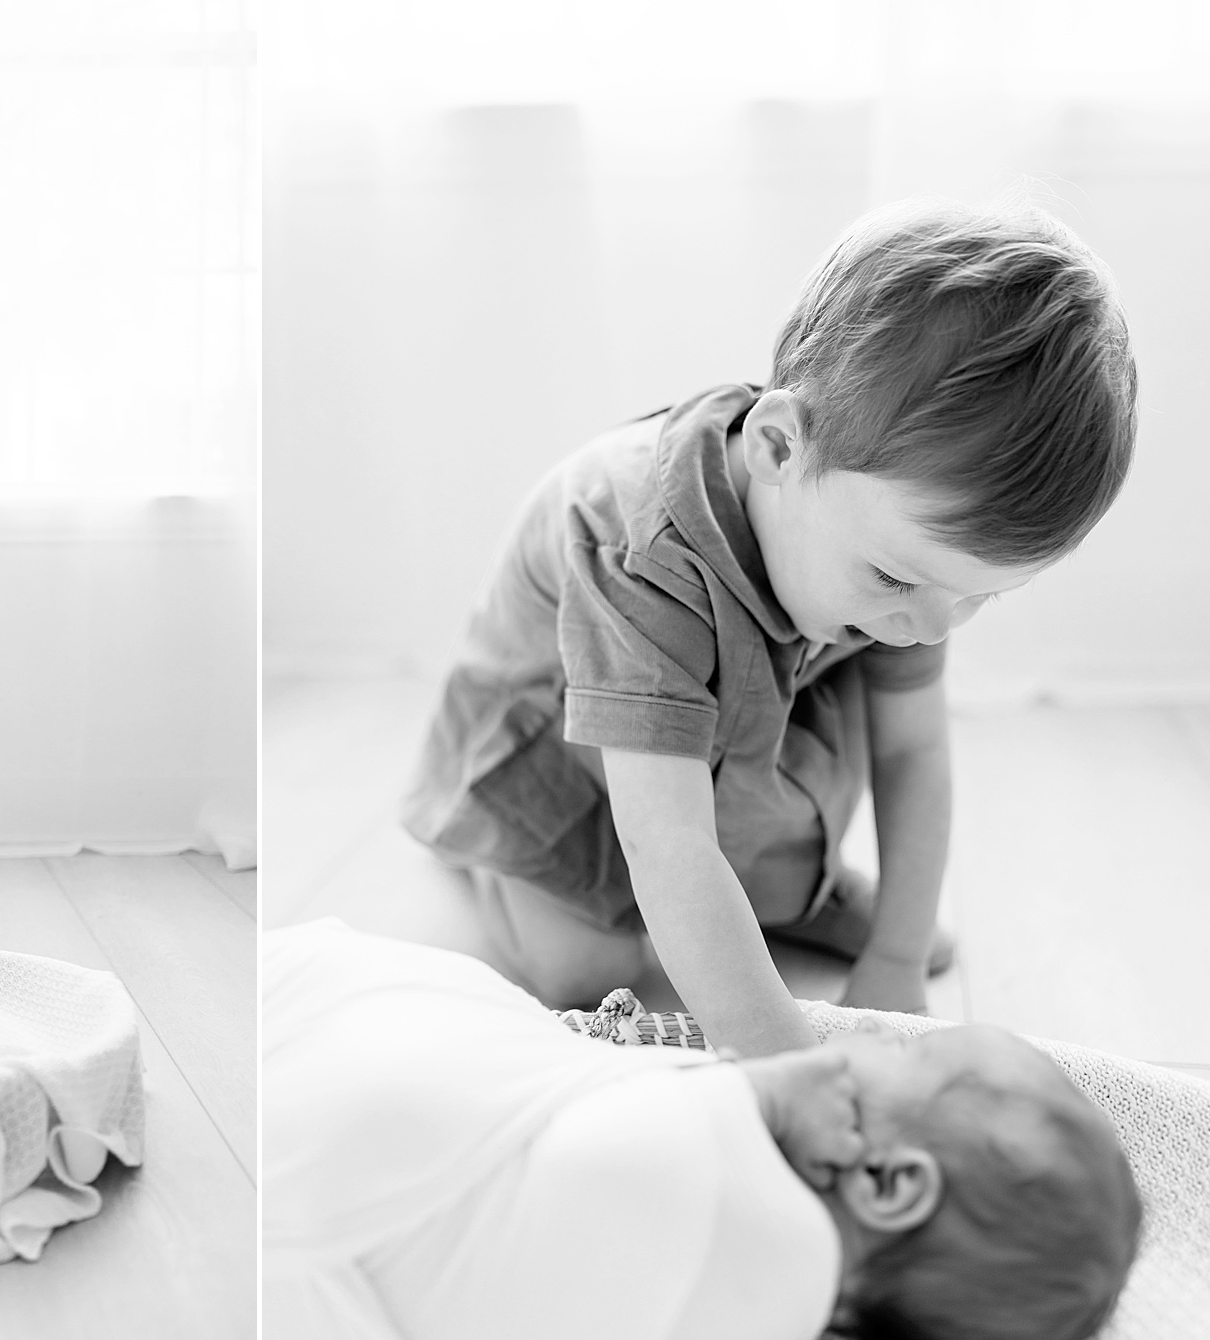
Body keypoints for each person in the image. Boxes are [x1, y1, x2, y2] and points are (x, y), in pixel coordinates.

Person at [399, 200, 1137, 1054]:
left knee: (766, 883)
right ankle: (494, 864)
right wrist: (786, 1063)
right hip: (558, 769)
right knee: (582, 967)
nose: (933, 627)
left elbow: (911, 753)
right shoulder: (643, 551)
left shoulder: (900, 558)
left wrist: (896, 956)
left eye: (978, 597)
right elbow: (665, 835)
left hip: (731, 733)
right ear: (780, 449)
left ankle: (778, 895)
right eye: (900, 580)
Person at [262, 919, 1142, 1340]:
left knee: (437, 1017)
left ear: (886, 1179)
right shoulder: (764, 1337)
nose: (873, 1028)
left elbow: (633, 1125)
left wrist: (764, 1088)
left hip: (344, 1144)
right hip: (326, 1315)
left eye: (909, 1058)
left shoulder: (709, 1165)